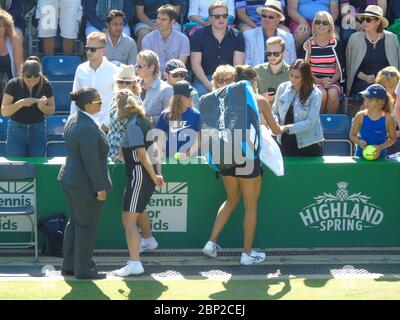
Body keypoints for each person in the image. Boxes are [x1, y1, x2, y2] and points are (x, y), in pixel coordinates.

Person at [201, 66, 269, 266]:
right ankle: (247, 254)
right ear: (252, 82)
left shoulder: (213, 100)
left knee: (231, 199)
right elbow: (274, 129)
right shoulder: (258, 99)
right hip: (247, 158)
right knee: (251, 207)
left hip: (224, 157)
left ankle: (211, 242)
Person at [58, 88, 112, 280]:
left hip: (71, 180)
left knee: (75, 224)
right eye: (98, 101)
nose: (101, 103)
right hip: (84, 184)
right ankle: (84, 270)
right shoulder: (86, 127)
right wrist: (100, 187)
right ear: (88, 105)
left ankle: (70, 267)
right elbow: (91, 162)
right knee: (86, 227)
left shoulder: (75, 119)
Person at [114, 90, 164, 277]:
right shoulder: (142, 121)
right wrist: (157, 173)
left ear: (120, 107)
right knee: (138, 211)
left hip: (139, 175)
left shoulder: (134, 125)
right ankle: (149, 240)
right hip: (144, 175)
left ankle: (135, 263)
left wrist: (154, 175)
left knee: (128, 219)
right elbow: (156, 149)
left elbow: (142, 154)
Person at [1, 57, 54, 157]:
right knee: (16, 167)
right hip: (16, 130)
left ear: (40, 74)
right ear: (22, 75)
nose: (32, 83)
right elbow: (4, 111)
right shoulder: (13, 84)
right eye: (28, 80)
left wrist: (42, 107)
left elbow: (51, 110)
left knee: (37, 166)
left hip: (38, 130)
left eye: (36, 79)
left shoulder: (46, 85)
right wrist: (20, 104)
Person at [190, 1, 245, 96]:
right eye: (217, 16)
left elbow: (237, 65)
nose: (221, 19)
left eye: (224, 16)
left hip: (229, 79)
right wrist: (210, 86)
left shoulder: (237, 35)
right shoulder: (198, 35)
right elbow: (195, 64)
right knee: (196, 94)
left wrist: (228, 84)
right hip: (205, 79)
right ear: (210, 18)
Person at [272, 59, 325, 156]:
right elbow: (275, 112)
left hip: (309, 144)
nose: (292, 79)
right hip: (286, 142)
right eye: (291, 75)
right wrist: (275, 122)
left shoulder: (315, 93)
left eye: (297, 77)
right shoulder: (282, 88)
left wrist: (287, 128)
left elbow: (310, 122)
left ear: (305, 77)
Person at [70, 32, 120, 133]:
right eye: (87, 48)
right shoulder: (80, 69)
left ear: (103, 50)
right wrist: (71, 123)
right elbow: (75, 98)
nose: (89, 52)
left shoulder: (115, 71)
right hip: (84, 126)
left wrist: (106, 125)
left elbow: (118, 103)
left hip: (107, 128)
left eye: (93, 49)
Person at [346, 5, 400, 96]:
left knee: (383, 92)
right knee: (371, 92)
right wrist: (366, 78)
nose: (364, 22)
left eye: (368, 20)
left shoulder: (392, 38)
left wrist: (380, 80)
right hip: (362, 82)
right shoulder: (355, 38)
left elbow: (394, 67)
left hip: (386, 83)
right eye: (363, 19)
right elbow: (352, 66)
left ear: (378, 21)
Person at [304, 11, 344, 114]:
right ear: (314, 24)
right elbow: (306, 69)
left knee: (333, 94)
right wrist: (318, 81)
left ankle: (330, 123)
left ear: (330, 26)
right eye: (318, 22)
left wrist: (330, 81)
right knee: (321, 94)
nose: (321, 25)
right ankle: (319, 122)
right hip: (314, 81)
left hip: (332, 81)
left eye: (325, 23)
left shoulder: (336, 44)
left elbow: (339, 71)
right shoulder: (308, 44)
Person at [243, 0, 296, 66]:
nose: (266, 19)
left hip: (282, 75)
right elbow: (246, 63)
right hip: (257, 75)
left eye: (271, 17)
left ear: (278, 19)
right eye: (264, 16)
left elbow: (293, 64)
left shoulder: (288, 37)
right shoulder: (248, 36)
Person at [349, 84, 396, 158]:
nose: (366, 102)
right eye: (365, 99)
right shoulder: (360, 116)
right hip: (360, 156)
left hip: (381, 157)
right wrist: (359, 142)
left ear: (381, 102)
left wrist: (379, 147)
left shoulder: (388, 118)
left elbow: (393, 139)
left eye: (370, 100)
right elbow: (352, 135)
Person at [156, 81, 200, 159]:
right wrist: (161, 153)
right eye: (187, 97)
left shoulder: (195, 114)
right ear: (178, 98)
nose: (191, 99)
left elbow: (199, 140)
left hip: (190, 159)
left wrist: (187, 154)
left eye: (191, 96)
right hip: (170, 158)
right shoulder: (166, 115)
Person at [142, 5, 190, 74]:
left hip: (175, 77)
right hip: (154, 77)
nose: (159, 22)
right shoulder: (147, 39)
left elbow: (181, 67)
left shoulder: (183, 39)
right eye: (158, 18)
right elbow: (148, 67)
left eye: (163, 19)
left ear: (172, 22)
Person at [108, 65, 142, 162]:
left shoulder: (135, 102)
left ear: (134, 84)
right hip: (111, 148)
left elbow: (130, 130)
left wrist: (121, 154)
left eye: (127, 82)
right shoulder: (115, 98)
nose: (123, 85)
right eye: (120, 82)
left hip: (125, 151)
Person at [135, 50, 173, 124]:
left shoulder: (166, 89)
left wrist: (151, 119)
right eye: (136, 66)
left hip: (155, 132)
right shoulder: (133, 85)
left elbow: (170, 116)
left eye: (140, 66)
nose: (137, 69)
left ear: (152, 68)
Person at [255, 36, 290, 105]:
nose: (272, 57)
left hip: (283, 115)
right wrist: (261, 97)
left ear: (284, 53)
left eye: (276, 54)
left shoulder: (291, 72)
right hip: (262, 114)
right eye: (269, 53)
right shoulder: (257, 70)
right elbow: (248, 96)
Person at [0, 9, 22, 102]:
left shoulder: (14, 40)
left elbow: (19, 66)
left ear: (6, 27)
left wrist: (19, 88)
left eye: (1, 26)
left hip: (10, 86)